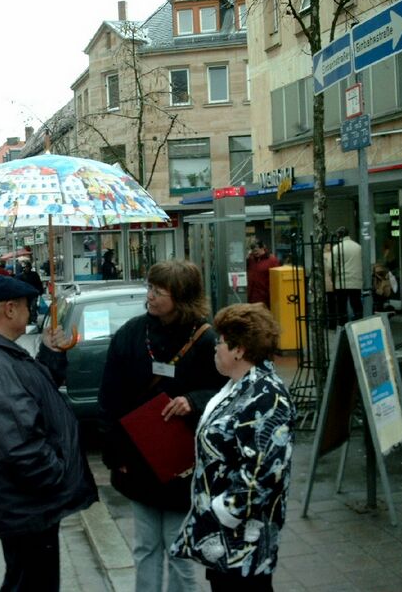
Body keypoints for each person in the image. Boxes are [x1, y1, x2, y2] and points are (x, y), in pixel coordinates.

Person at [0, 274, 98, 591]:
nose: (30, 312)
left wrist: (50, 351)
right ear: (9, 309)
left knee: (28, 581)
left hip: (26, 504)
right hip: (28, 505)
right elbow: (19, 444)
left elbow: (35, 393)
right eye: (27, 305)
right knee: (32, 583)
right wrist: (56, 476)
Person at [98, 259, 226, 592]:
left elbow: (227, 393)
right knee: (144, 547)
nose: (150, 296)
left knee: (179, 548)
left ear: (181, 296)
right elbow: (109, 398)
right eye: (150, 288)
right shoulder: (131, 334)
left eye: (159, 291)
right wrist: (116, 454)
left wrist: (194, 401)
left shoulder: (206, 339)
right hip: (139, 460)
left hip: (182, 465)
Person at [170, 303, 296, 591]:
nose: (216, 347)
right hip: (227, 541)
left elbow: (264, 473)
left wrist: (221, 512)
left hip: (241, 542)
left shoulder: (266, 397)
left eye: (221, 341)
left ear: (239, 350)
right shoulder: (239, 385)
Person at [331, 226, 363, 325]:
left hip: (342, 281)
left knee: (341, 306)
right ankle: (359, 323)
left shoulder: (336, 248)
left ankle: (343, 326)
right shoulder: (358, 247)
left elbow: (334, 266)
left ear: (339, 235)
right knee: (356, 303)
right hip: (355, 280)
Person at [246, 239, 280, 307]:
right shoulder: (251, 259)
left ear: (262, 248)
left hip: (265, 297)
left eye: (256, 250)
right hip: (252, 297)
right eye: (253, 251)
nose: (255, 253)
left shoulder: (272, 260)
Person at [16, 260, 44, 324]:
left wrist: (40, 291)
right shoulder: (20, 276)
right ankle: (28, 319)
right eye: (25, 267)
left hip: (33, 294)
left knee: (33, 306)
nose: (26, 269)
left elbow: (39, 283)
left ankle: (33, 319)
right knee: (26, 307)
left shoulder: (34, 275)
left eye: (27, 267)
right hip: (25, 295)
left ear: (30, 267)